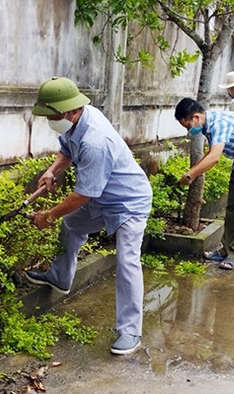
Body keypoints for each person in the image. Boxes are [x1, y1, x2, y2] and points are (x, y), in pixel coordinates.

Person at [24, 76, 153, 356]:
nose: (51, 120)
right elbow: (66, 151)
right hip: (102, 194)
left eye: (54, 115)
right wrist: (52, 171)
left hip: (128, 201)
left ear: (70, 110)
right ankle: (59, 277)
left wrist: (48, 215)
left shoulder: (96, 140)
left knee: (127, 260)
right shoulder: (79, 118)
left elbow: (83, 195)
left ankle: (130, 331)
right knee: (72, 225)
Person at [174, 98, 234, 270]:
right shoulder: (208, 126)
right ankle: (225, 250)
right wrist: (193, 171)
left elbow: (214, 157)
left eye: (188, 126)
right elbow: (209, 153)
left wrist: (190, 176)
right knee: (232, 207)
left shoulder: (219, 123)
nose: (190, 131)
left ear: (196, 117)